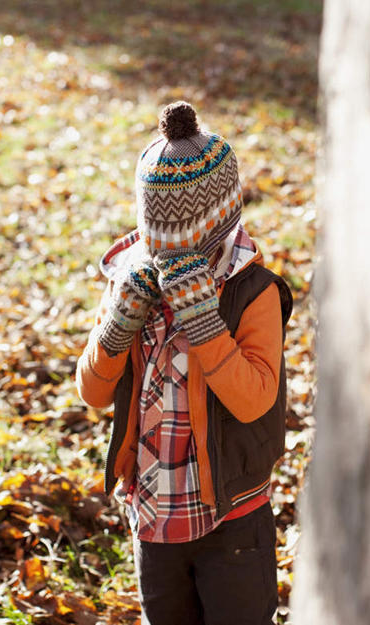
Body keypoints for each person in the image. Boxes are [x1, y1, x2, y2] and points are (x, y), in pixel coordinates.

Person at [75, 100, 293, 625]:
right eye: (158, 242)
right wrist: (117, 326)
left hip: (232, 518)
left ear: (218, 219)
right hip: (154, 513)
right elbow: (93, 392)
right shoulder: (133, 280)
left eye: (181, 245)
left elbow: (253, 398)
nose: (167, 260)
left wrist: (204, 321)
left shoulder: (251, 291)